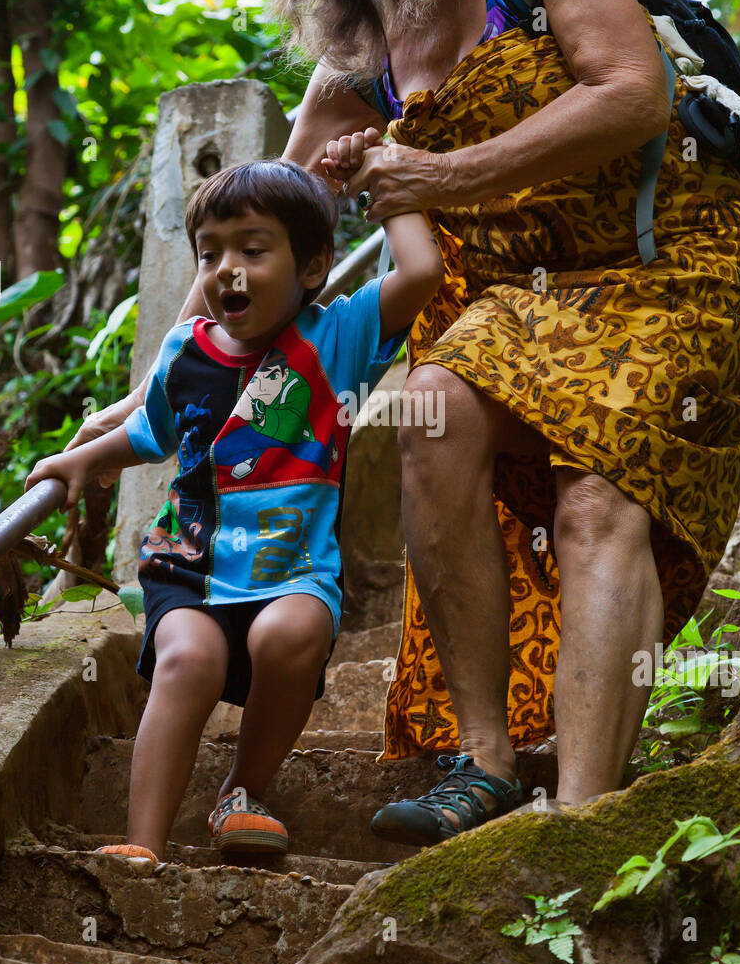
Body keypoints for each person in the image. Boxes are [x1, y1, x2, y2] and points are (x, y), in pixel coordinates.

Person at [65, 0, 740, 850]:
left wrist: (438, 179)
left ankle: (578, 819)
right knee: (429, 406)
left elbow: (632, 90)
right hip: (520, 302)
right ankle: (484, 762)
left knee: (595, 504)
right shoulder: (358, 59)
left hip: (666, 256)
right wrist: (134, 412)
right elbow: (250, 283)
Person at [24, 158, 446, 863]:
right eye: (211, 252)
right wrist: (83, 460)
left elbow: (423, 272)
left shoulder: (336, 338)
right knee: (188, 659)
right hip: (190, 562)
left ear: (311, 266)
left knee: (290, 634)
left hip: (291, 567)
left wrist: (384, 176)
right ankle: (143, 844)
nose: (227, 268)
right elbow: (152, 433)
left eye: (253, 249)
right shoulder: (184, 350)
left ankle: (241, 791)